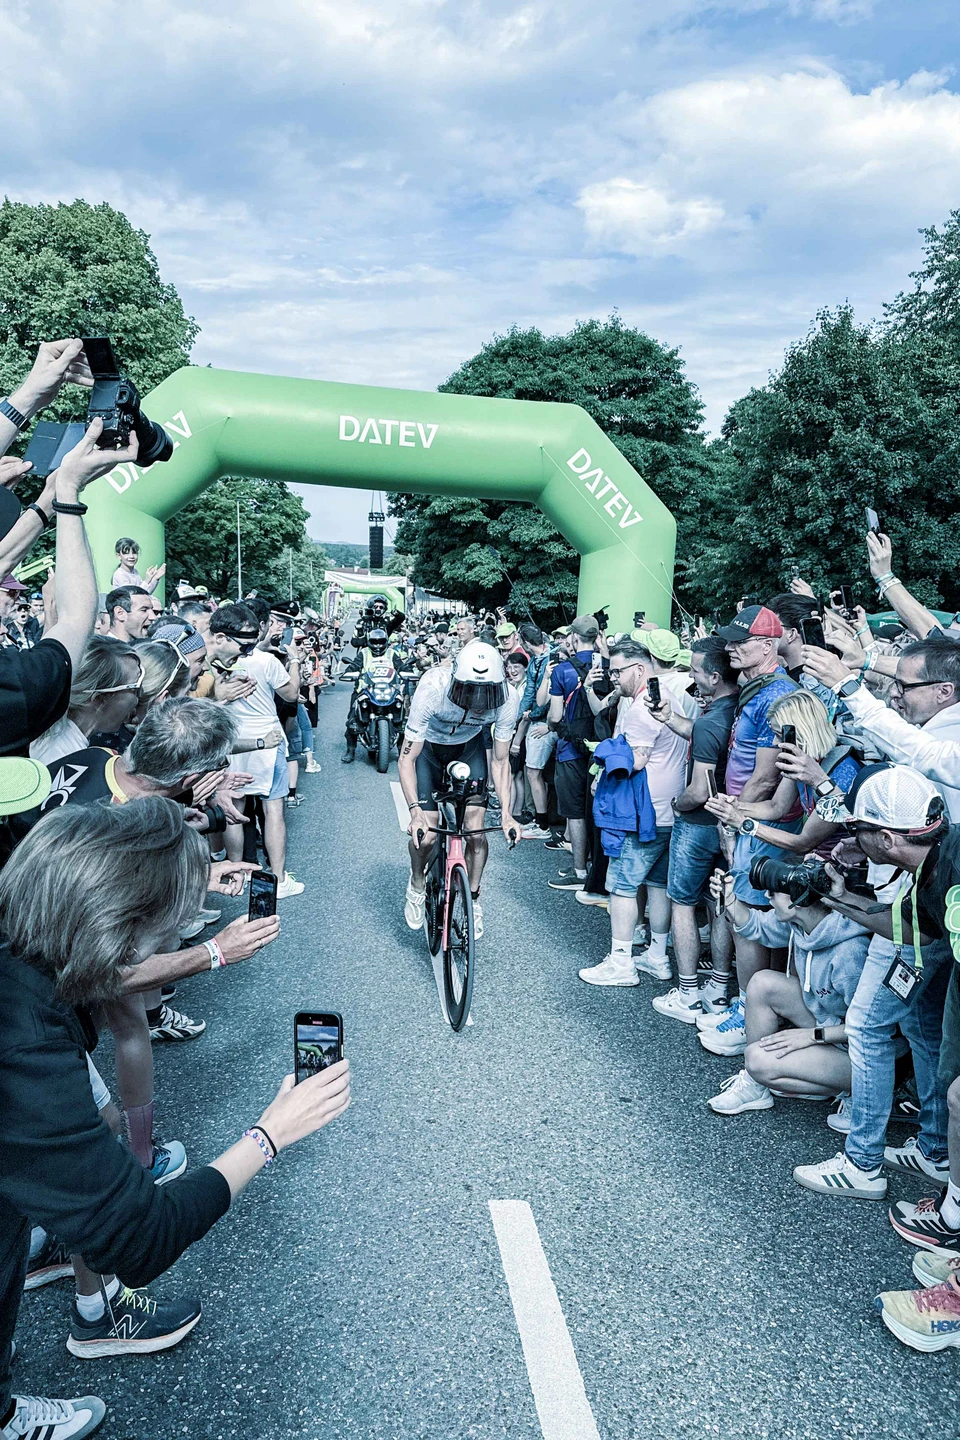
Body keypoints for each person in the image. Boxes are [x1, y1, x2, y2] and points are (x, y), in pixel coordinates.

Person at [0, 798, 350, 1438]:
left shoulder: (24, 943)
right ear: (115, 929)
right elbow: (140, 1238)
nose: (176, 941)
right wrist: (271, 1133)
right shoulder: (22, 1041)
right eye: (169, 927)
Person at [791, 766, 953, 1201]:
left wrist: (837, 897)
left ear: (887, 838)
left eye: (857, 829)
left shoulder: (943, 880)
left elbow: (907, 931)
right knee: (922, 1024)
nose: (848, 837)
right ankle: (936, 1150)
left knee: (866, 1028)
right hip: (928, 935)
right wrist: (839, 896)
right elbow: (913, 932)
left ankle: (863, 1165)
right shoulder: (937, 855)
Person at [705, 863, 869, 1115]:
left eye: (774, 892)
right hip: (829, 1021)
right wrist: (729, 900)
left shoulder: (850, 953)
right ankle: (755, 1088)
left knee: (758, 1061)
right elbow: (756, 926)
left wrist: (812, 1036)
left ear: (799, 901)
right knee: (762, 983)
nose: (767, 897)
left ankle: (858, 1094)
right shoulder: (802, 922)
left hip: (863, 1052)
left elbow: (875, 1029)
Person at [578, 637, 687, 987]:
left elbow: (636, 760)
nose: (613, 678)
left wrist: (607, 758)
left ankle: (621, 962)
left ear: (639, 669)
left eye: (617, 671)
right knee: (657, 884)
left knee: (622, 887)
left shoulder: (642, 709)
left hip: (642, 811)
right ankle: (657, 956)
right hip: (671, 807)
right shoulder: (671, 698)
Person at [399, 640, 520, 941]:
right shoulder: (432, 688)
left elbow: (502, 762)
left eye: (486, 692)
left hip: (469, 749)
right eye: (469, 691)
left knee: (476, 832)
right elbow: (406, 758)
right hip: (428, 751)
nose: (478, 702)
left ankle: (473, 899)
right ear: (454, 680)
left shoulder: (509, 698)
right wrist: (414, 812)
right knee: (425, 835)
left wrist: (507, 814)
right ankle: (416, 883)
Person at [648, 636, 738, 1023]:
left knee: (682, 903)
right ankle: (718, 988)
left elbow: (699, 790)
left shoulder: (711, 720)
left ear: (714, 677)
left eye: (696, 671)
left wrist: (676, 805)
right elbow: (704, 734)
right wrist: (670, 718)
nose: (690, 676)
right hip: (730, 823)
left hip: (698, 822)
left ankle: (686, 993)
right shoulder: (737, 708)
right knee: (720, 902)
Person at [803, 633, 960, 820]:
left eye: (903, 685)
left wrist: (847, 687)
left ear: (944, 691)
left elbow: (924, 753)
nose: (893, 692)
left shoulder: (949, 736)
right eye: (895, 681)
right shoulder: (931, 727)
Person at [205, 604, 304, 900]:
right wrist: (295, 662)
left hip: (230, 739)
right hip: (267, 740)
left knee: (235, 807)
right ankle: (279, 878)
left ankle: (239, 872)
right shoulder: (267, 661)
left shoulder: (215, 664)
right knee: (273, 809)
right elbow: (292, 695)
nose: (244, 649)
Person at [547, 616, 601, 891]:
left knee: (575, 812)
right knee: (595, 810)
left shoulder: (562, 671)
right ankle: (598, 869)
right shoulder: (608, 665)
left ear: (574, 638)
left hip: (570, 748)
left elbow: (555, 716)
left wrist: (549, 725)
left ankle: (580, 870)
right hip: (601, 748)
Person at [29, 637, 141, 766]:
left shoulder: (52, 730)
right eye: (134, 688)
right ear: (99, 699)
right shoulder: (67, 763)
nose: (138, 698)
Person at [340, 626, 408, 764]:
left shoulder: (391, 654)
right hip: (364, 690)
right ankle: (350, 750)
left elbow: (402, 667)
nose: (378, 645)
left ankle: (402, 751)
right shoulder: (364, 653)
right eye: (375, 642)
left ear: (386, 641)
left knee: (402, 720)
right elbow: (353, 667)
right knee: (352, 719)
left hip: (389, 690)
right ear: (369, 641)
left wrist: (408, 671)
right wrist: (350, 673)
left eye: (381, 642)